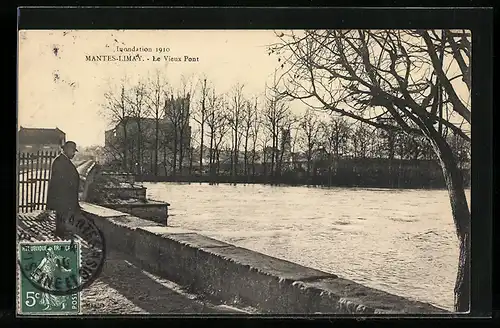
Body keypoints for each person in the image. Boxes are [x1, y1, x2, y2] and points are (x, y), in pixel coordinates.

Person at [46, 141, 80, 237]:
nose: (73, 154)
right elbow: (60, 180)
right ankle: (60, 233)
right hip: (62, 195)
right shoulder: (59, 161)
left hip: (65, 196)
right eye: (73, 151)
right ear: (67, 150)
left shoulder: (63, 160)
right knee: (61, 214)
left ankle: (61, 231)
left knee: (63, 215)